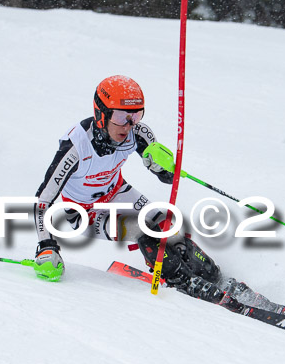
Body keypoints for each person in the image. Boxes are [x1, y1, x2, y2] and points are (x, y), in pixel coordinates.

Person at [32, 75, 242, 307]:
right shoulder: (75, 147)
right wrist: (47, 247)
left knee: (168, 225)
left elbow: (167, 176)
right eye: (122, 116)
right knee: (145, 230)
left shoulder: (137, 133)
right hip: (85, 213)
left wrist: (165, 168)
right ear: (101, 114)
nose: (130, 124)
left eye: (136, 115)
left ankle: (212, 276)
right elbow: (43, 202)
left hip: (117, 191)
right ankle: (182, 281)